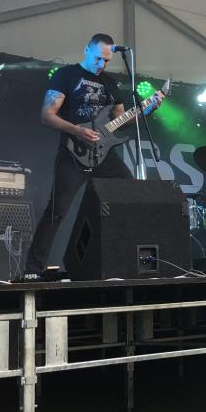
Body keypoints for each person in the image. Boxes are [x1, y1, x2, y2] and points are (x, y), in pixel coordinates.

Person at [24, 33, 161, 275]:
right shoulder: (66, 75)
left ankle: (130, 263)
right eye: (98, 58)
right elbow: (47, 115)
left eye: (106, 60)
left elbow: (120, 121)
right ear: (87, 49)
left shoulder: (110, 83)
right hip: (73, 152)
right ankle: (33, 270)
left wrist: (145, 110)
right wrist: (76, 130)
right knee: (57, 211)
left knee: (131, 196)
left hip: (103, 154)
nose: (101, 64)